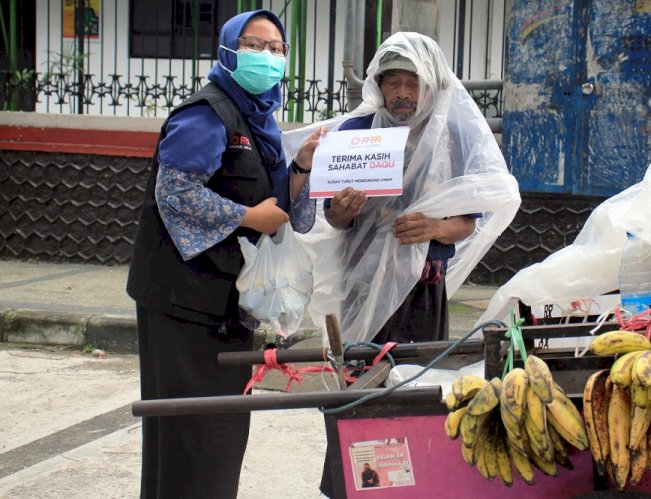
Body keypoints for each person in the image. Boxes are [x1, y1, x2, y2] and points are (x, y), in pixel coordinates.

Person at [126, 10, 321, 499]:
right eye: (257, 45)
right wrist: (246, 218)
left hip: (225, 305)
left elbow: (276, 201)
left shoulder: (260, 121)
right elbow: (175, 193)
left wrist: (299, 167)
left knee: (221, 433)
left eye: (278, 49)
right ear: (231, 50)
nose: (270, 57)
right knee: (188, 434)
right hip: (180, 304)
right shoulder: (206, 114)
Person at [283, 32, 520, 346]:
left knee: (414, 377)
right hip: (362, 279)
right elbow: (334, 218)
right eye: (393, 83)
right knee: (361, 370)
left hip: (424, 284)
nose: (403, 93)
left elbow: (466, 223)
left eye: (414, 82)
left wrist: (434, 227)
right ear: (379, 85)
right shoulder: (357, 132)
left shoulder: (450, 140)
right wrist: (341, 211)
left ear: (432, 85)